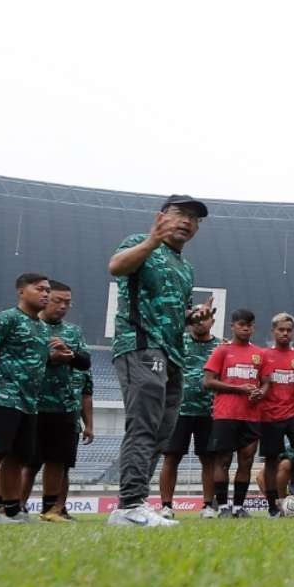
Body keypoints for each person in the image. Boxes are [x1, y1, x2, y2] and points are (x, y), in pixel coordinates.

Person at [106, 194, 206, 528]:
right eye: (180, 214)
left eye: (194, 218)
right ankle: (129, 505)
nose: (187, 222)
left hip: (174, 354)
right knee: (144, 426)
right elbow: (116, 266)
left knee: (162, 433)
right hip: (142, 345)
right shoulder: (140, 242)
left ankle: (137, 504)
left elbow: (178, 311)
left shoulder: (186, 267)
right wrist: (151, 240)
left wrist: (194, 316)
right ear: (161, 216)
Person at [0, 273, 55, 524]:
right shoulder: (5, 319)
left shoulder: (42, 327)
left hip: (28, 403)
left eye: (48, 290)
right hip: (1, 398)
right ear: (21, 291)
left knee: (17, 457)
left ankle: (12, 509)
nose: (46, 294)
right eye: (40, 289)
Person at [32, 282, 95, 522]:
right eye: (58, 300)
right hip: (32, 406)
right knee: (28, 463)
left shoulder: (73, 331)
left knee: (61, 462)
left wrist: (69, 355)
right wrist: (50, 357)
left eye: (67, 302)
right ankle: (14, 506)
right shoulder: (29, 327)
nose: (63, 306)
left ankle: (54, 509)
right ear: (46, 298)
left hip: (65, 407)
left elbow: (84, 363)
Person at [203, 309, 267, 517]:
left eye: (250, 325)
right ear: (233, 326)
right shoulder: (222, 351)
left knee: (246, 461)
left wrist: (260, 393)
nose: (246, 328)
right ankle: (222, 507)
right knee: (223, 460)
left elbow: (266, 383)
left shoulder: (260, 353)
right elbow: (208, 382)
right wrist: (240, 389)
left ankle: (239, 506)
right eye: (241, 324)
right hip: (226, 415)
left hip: (251, 416)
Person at [161, 303, 221, 519]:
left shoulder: (221, 347)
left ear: (212, 321)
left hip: (209, 412)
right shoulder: (177, 342)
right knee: (171, 457)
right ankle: (166, 505)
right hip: (178, 410)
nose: (201, 321)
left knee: (208, 459)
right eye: (196, 317)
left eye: (205, 317)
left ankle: (207, 506)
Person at [256, 314, 294, 516]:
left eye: (288, 330)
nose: (285, 333)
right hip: (269, 415)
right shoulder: (262, 356)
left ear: (293, 332)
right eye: (281, 329)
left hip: (293, 413)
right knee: (271, 461)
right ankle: (272, 506)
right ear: (273, 331)